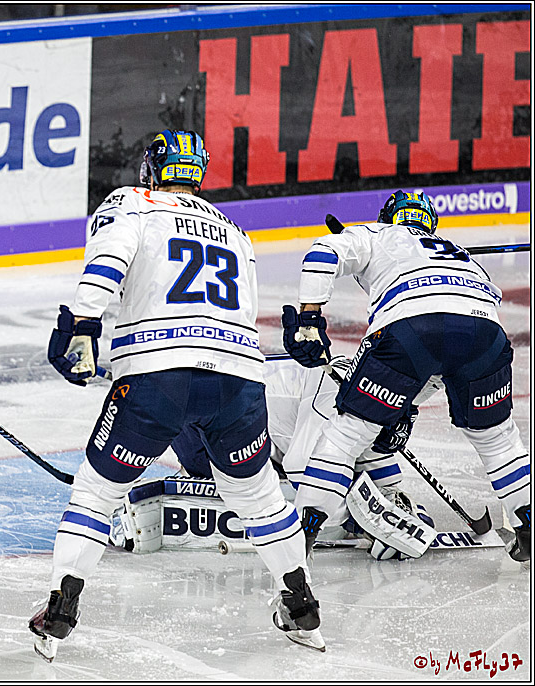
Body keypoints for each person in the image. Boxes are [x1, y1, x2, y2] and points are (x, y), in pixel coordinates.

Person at [30, 130, 325, 661]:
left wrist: (82, 324)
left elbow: (106, 264)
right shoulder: (235, 230)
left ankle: (60, 610)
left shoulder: (130, 203)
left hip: (157, 375)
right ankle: (301, 604)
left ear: (153, 168)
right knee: (259, 498)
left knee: (97, 490)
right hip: (238, 381)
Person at [282, 190, 530, 563]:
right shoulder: (460, 255)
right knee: (497, 439)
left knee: (348, 434)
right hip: (485, 335)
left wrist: (309, 320)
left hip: (411, 330)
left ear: (389, 218)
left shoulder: (377, 234)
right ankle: (527, 525)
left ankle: (302, 536)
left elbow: (321, 253)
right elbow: (451, 334)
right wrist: (407, 406)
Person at [167, 354, 439, 560]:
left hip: (227, 413)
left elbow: (361, 450)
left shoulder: (364, 384)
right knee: (281, 487)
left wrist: (389, 497)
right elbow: (305, 468)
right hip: (203, 427)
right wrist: (359, 521)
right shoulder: (337, 390)